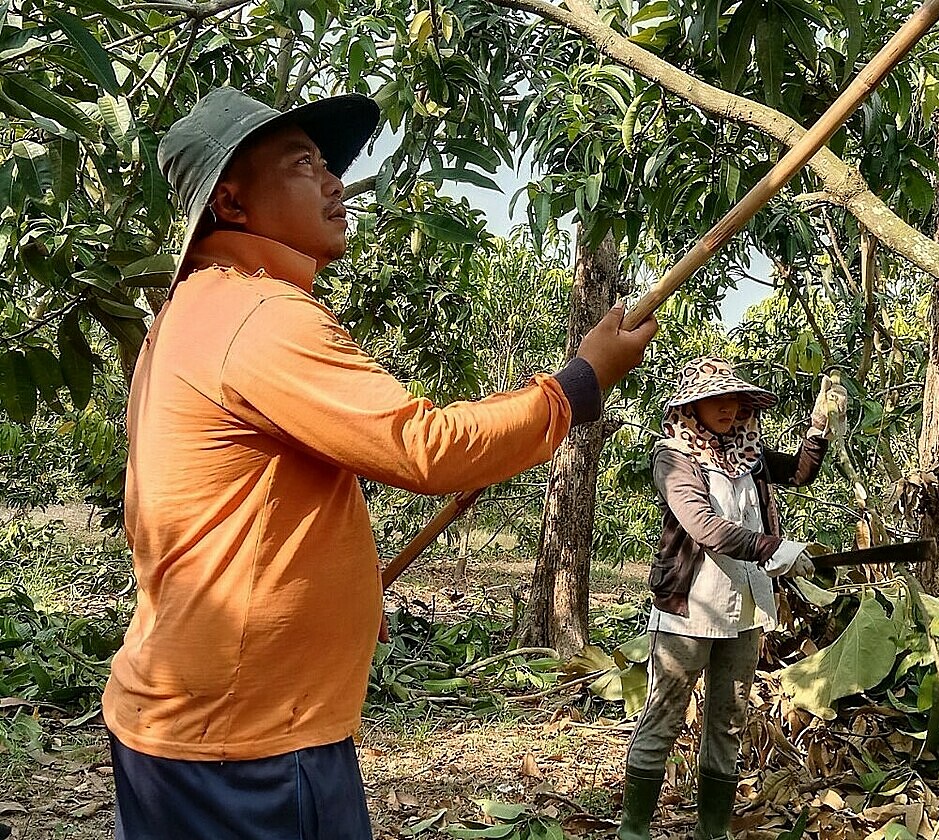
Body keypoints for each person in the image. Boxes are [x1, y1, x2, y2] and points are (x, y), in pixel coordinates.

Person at [102, 87, 657, 838]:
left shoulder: (192, 315)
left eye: (326, 163)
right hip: (250, 741)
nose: (334, 181)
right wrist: (576, 386)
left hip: (183, 721)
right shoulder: (258, 318)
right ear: (231, 204)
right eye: (303, 165)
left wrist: (340, 598)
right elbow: (424, 448)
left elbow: (229, 512)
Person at [618, 357, 847, 840]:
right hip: (689, 608)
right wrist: (771, 547)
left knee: (728, 719)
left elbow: (800, 472)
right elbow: (701, 524)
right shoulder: (673, 456)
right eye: (715, 399)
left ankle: (712, 832)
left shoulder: (749, 453)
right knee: (664, 716)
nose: (727, 408)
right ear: (692, 406)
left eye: (734, 400)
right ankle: (635, 830)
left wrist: (820, 428)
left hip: (743, 607)